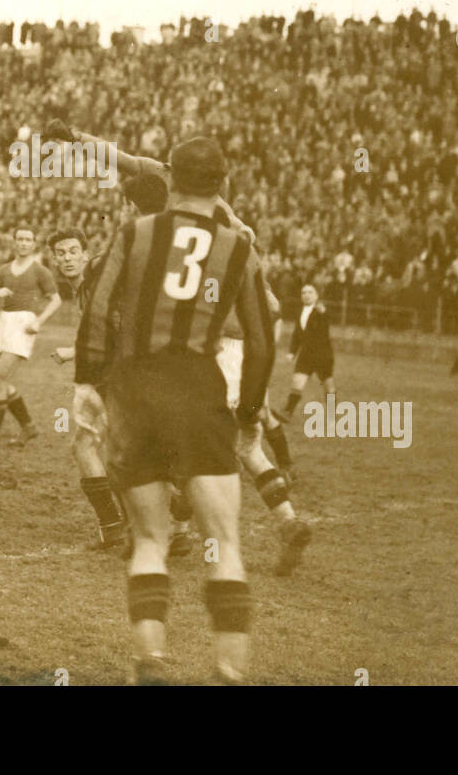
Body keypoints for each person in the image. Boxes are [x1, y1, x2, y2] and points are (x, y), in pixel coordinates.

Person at [76, 137, 275, 684]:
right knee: (225, 541)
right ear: (223, 183)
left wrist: (90, 385)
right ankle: (229, 671)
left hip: (135, 390)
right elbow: (262, 341)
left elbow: (96, 311)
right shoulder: (239, 246)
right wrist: (250, 414)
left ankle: (151, 663)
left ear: (172, 181)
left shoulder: (136, 232)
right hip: (197, 390)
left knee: (148, 540)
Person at [48, 226, 125, 549]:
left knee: (93, 448)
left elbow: (116, 333)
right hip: (112, 376)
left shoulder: (96, 284)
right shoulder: (82, 289)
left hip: (117, 376)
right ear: (54, 258)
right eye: (61, 253)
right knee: (101, 449)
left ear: (85, 254)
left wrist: (71, 352)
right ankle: (119, 527)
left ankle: (120, 527)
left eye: (73, 252)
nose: (67, 258)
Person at [0, 225, 61, 446]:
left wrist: (38, 321)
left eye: (28, 239)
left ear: (34, 244)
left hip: (24, 324)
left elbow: (56, 300)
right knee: (3, 381)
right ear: (14, 242)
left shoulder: (39, 271)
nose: (24, 243)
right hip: (3, 322)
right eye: (20, 239)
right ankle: (29, 427)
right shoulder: (4, 270)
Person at [279, 284, 336, 420]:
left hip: (322, 356)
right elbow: (297, 334)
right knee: (297, 382)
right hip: (305, 355)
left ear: (316, 296)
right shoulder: (300, 311)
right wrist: (292, 352)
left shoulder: (321, 311)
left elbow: (327, 319)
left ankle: (332, 412)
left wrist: (323, 313)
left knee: (328, 385)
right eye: (303, 292)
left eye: (310, 292)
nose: (306, 295)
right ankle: (287, 412)